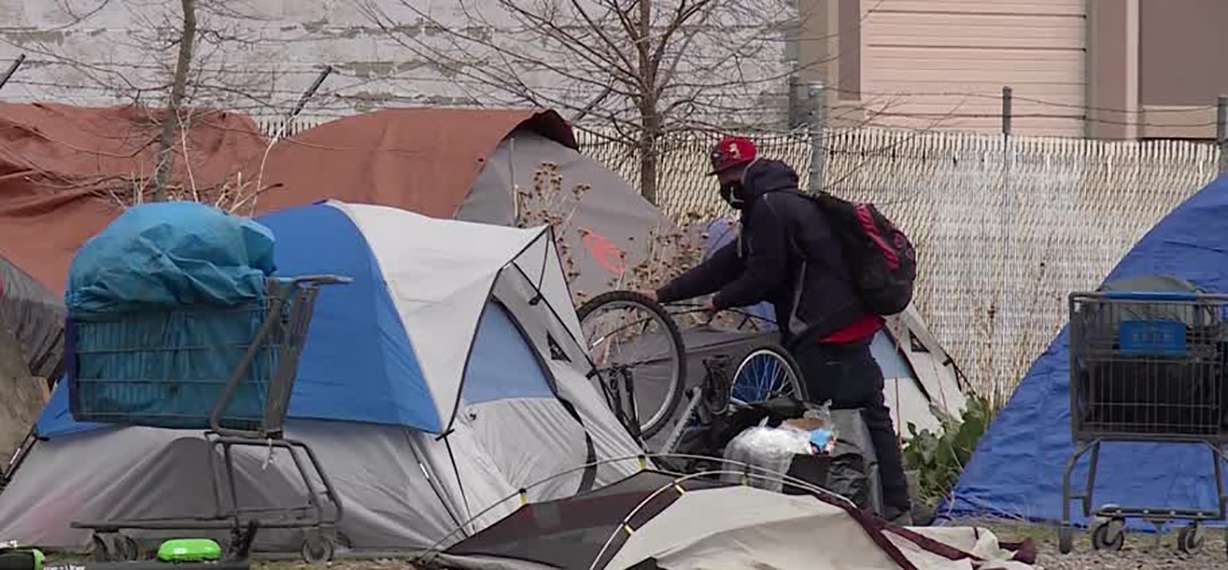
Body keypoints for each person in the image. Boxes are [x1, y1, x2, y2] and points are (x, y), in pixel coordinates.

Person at [640, 135, 912, 523]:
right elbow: (726, 265)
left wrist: (719, 302)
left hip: (821, 330)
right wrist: (664, 293)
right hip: (852, 321)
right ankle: (896, 505)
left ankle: (831, 505)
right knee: (870, 413)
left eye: (729, 174)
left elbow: (763, 277)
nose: (724, 184)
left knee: (816, 419)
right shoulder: (782, 204)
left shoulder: (770, 208)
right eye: (720, 176)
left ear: (746, 171)